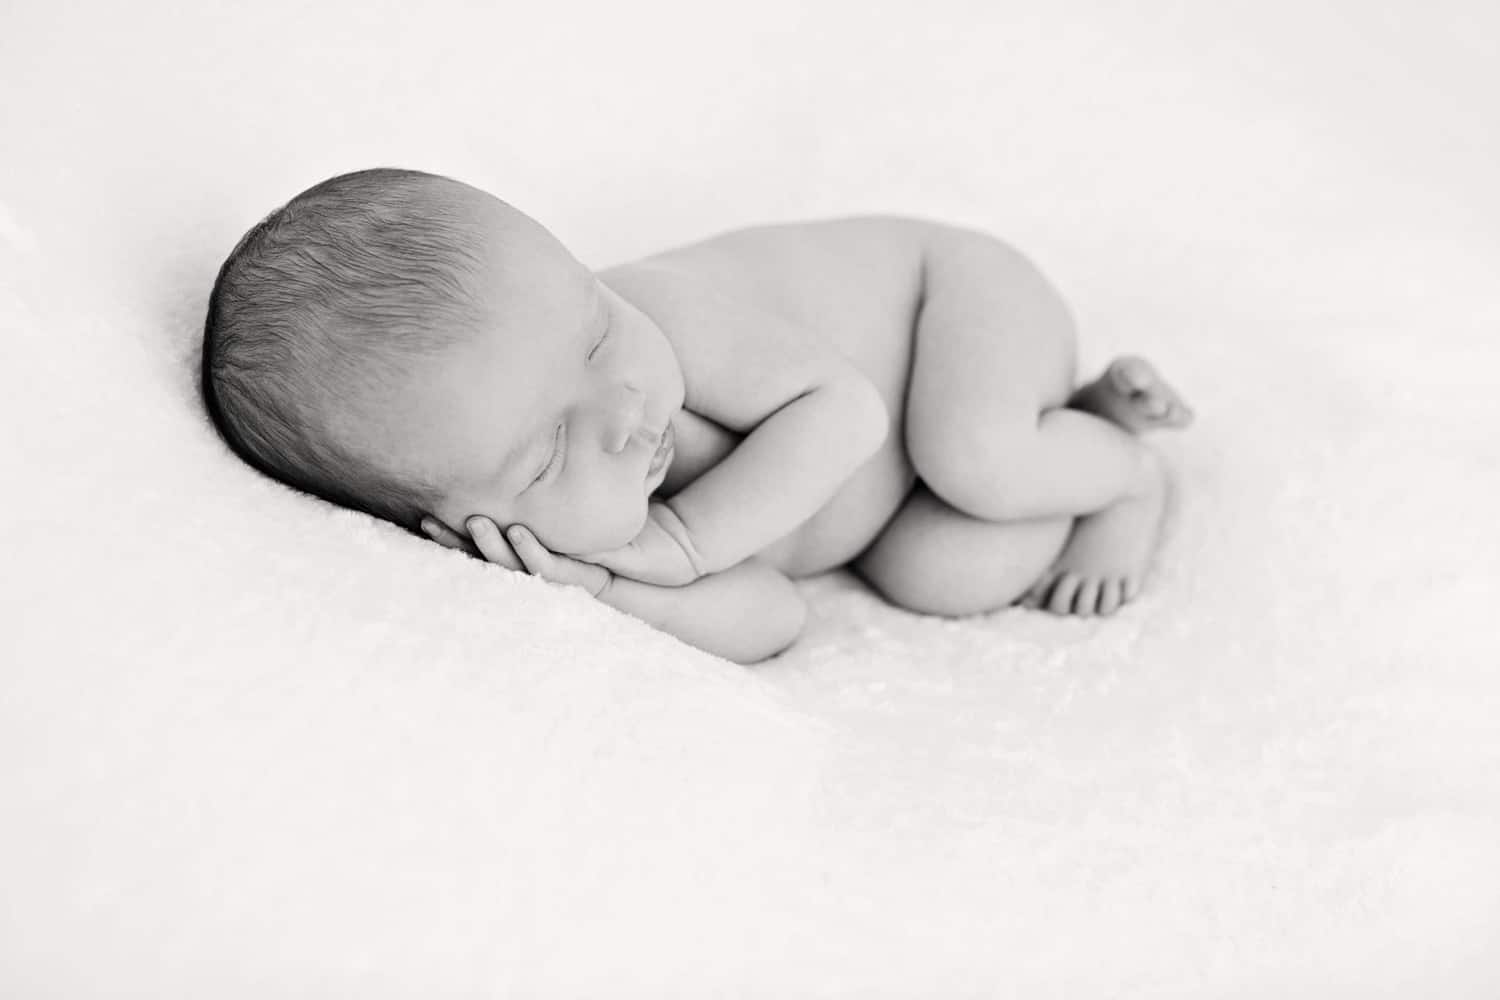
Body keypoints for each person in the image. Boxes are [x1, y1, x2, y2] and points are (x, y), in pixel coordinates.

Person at [202, 168, 1193, 663]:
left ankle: (1122, 462)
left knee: (974, 453)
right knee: (939, 573)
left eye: (593, 334)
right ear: (454, 527)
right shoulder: (593, 528)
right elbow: (774, 617)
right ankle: (1079, 426)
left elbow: (845, 409)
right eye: (547, 455)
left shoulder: (666, 315)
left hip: (951, 311)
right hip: (887, 509)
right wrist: (610, 588)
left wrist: (684, 536)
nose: (623, 410)